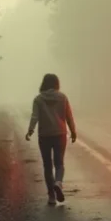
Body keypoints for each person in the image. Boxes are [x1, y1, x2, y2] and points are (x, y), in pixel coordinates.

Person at [26, 73, 77, 206]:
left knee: (47, 166)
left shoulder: (38, 99)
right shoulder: (63, 97)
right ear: (56, 84)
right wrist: (73, 131)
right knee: (59, 163)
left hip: (44, 135)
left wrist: (30, 130)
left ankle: (51, 197)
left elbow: (34, 116)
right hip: (60, 134)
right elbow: (69, 116)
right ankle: (58, 182)